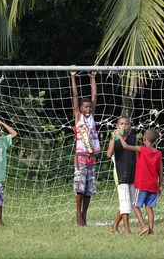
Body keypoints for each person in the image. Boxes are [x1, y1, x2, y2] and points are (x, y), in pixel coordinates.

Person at [117, 128, 163, 236]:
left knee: (134, 205)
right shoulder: (158, 154)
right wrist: (160, 186)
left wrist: (119, 137)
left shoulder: (142, 149)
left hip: (142, 184)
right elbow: (161, 172)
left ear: (144, 138)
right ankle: (151, 231)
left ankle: (143, 226)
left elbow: (126, 146)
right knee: (149, 207)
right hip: (153, 185)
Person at [71, 71, 101, 227]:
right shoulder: (79, 118)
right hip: (80, 157)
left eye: (90, 106)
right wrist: (73, 78)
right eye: (85, 107)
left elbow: (94, 96)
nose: (88, 109)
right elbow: (75, 99)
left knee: (89, 189)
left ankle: (84, 215)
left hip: (91, 158)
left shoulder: (92, 119)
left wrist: (93, 78)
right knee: (80, 188)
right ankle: (78, 215)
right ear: (81, 109)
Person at [106, 116, 137, 235]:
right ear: (117, 126)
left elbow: (136, 155)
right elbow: (109, 154)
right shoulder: (114, 139)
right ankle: (127, 229)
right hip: (120, 174)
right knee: (124, 201)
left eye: (127, 124)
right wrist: (115, 138)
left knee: (129, 202)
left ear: (130, 126)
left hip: (132, 173)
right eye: (122, 124)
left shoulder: (133, 139)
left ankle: (114, 226)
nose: (124, 126)